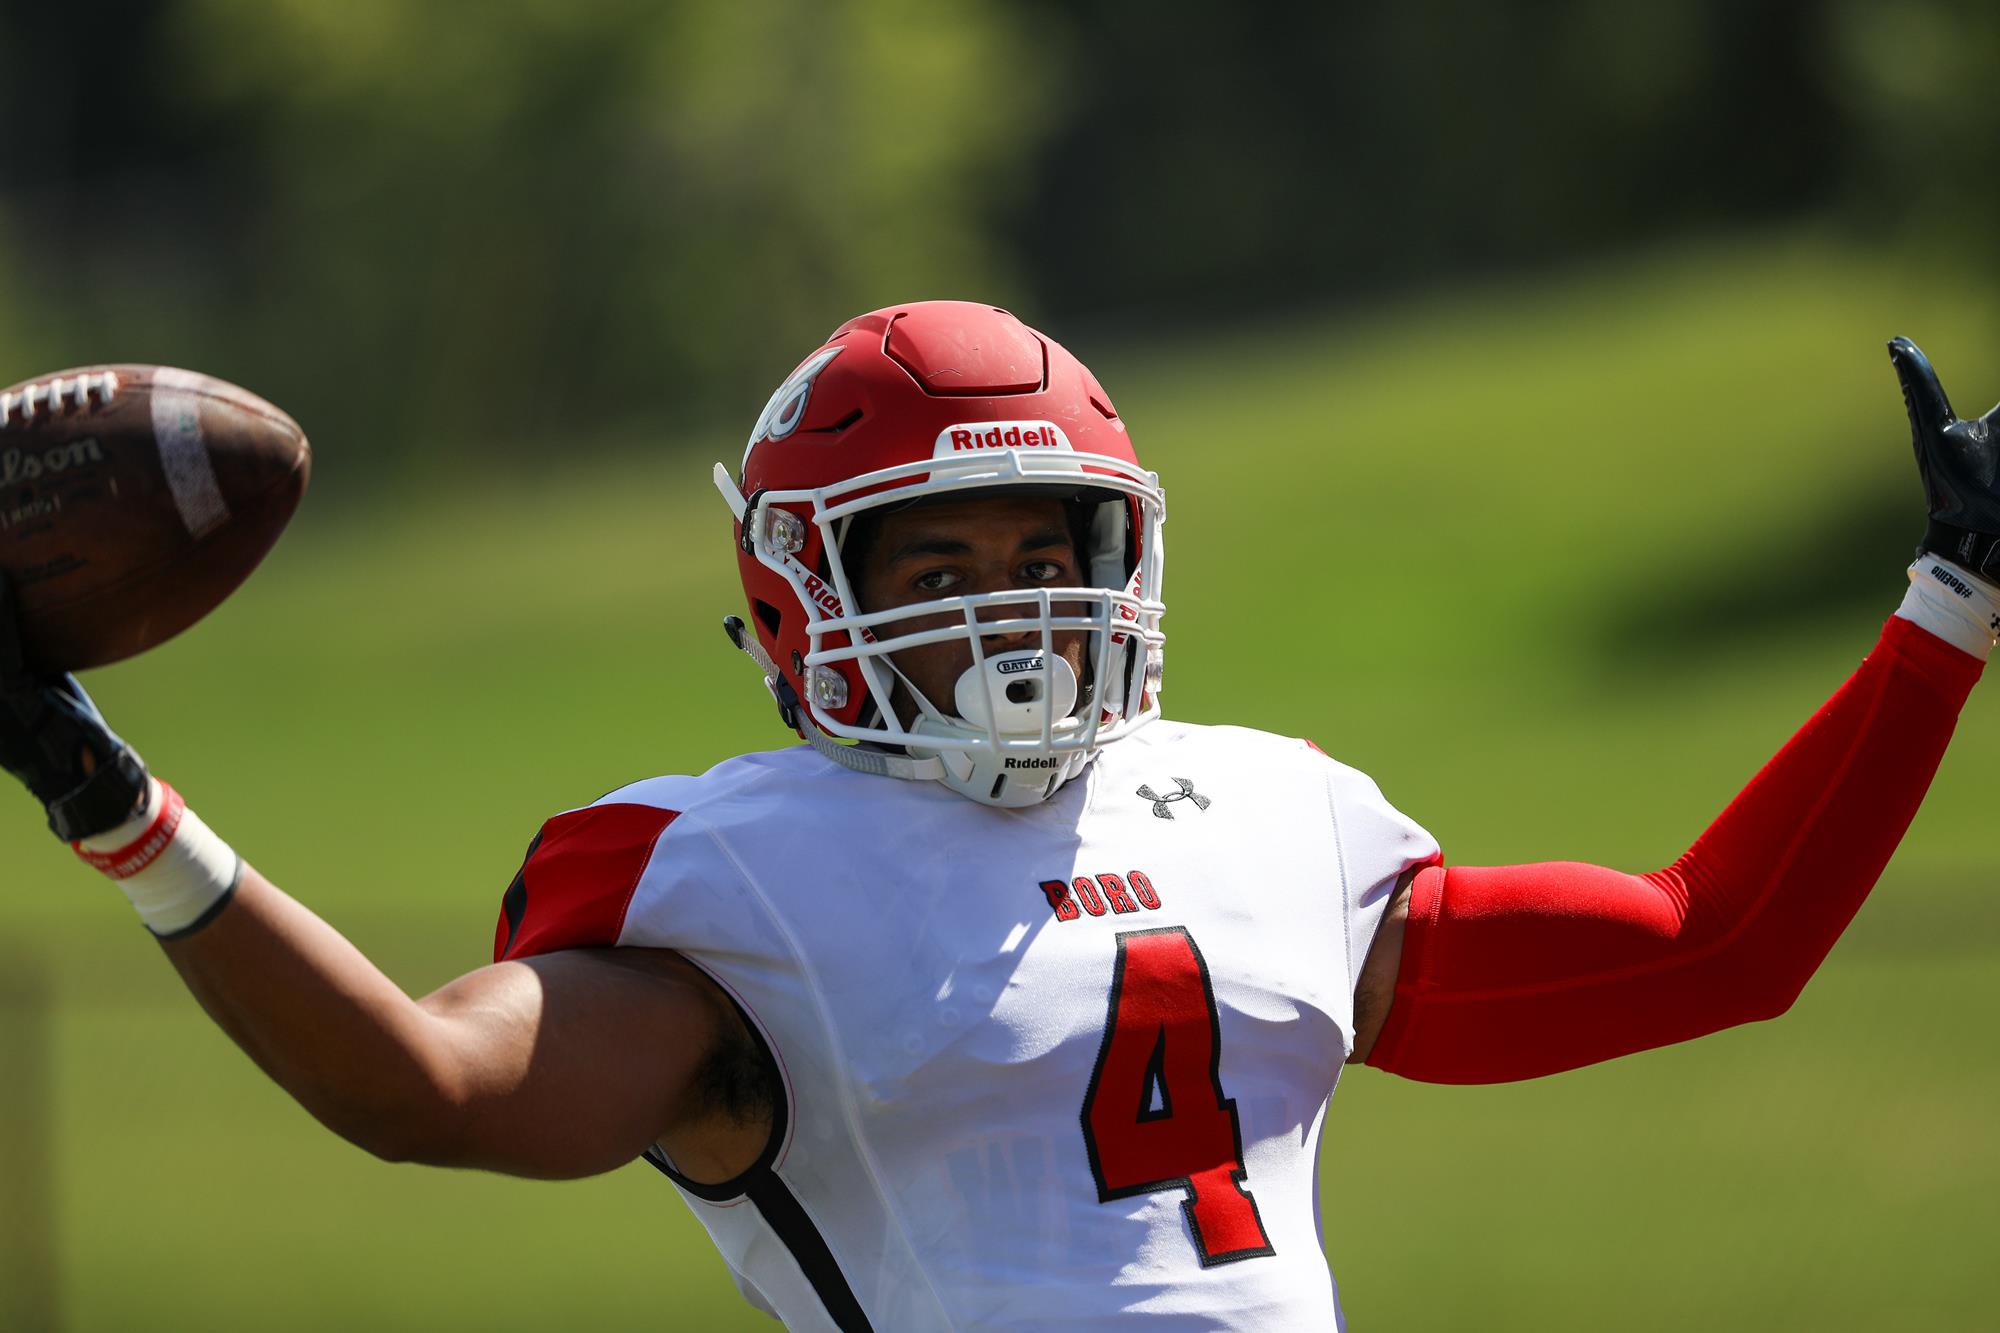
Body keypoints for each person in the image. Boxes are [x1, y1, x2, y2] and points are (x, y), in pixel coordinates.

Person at [2, 301, 1996, 1331]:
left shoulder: (1272, 813)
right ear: (803, 588)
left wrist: (1949, 605)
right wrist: (111, 795)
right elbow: (427, 1085)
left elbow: (1714, 943)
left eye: (1044, 548)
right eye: (934, 560)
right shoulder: (733, 872)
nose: (1007, 606)